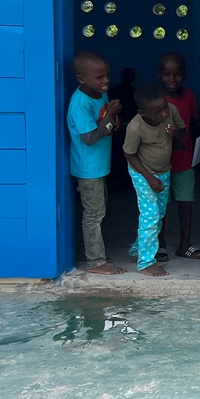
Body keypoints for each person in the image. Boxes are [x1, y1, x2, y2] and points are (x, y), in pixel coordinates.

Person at [66, 51, 124, 275]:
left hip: (99, 166)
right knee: (94, 213)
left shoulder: (100, 94)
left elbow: (104, 123)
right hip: (87, 169)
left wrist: (114, 121)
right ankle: (95, 261)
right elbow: (89, 138)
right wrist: (111, 116)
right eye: (99, 77)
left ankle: (87, 249)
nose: (106, 80)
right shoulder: (79, 104)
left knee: (98, 210)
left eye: (107, 75)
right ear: (81, 79)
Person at [156, 53, 200, 260]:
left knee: (186, 203)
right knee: (160, 204)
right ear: (159, 75)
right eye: (167, 74)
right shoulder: (156, 100)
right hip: (160, 162)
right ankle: (160, 244)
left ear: (185, 75)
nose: (172, 79)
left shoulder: (189, 96)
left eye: (177, 74)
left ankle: (184, 244)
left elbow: (194, 120)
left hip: (185, 160)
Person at [123, 83, 186, 277]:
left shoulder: (171, 112)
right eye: (157, 111)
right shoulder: (135, 127)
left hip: (163, 170)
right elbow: (129, 153)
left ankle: (137, 249)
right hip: (143, 172)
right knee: (150, 215)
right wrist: (149, 177)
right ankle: (145, 262)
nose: (164, 113)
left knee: (158, 214)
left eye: (165, 107)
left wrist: (175, 132)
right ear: (143, 113)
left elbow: (183, 134)